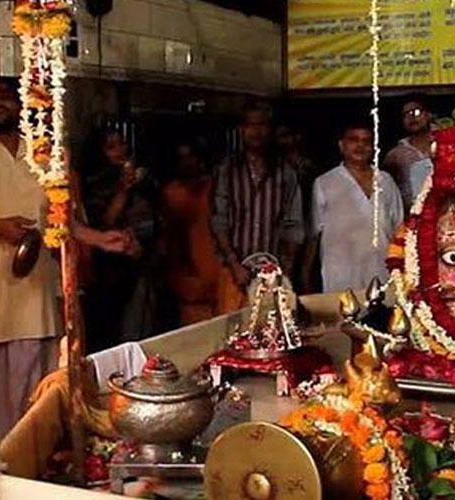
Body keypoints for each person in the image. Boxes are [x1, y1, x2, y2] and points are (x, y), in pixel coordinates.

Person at [0, 75, 61, 437]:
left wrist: (104, 240)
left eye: (6, 97)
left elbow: (61, 219)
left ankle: (32, 478)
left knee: (37, 400)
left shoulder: (42, 154)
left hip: (38, 296)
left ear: (20, 104)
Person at [212, 101, 304, 300]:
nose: (256, 131)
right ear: (241, 130)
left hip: (273, 274)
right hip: (232, 272)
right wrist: (234, 265)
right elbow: (219, 221)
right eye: (251, 125)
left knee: (271, 328)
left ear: (270, 129)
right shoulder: (227, 171)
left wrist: (285, 270)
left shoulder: (286, 172)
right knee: (231, 329)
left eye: (262, 125)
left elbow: (294, 226)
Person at [79, 126, 156, 351]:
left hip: (141, 261)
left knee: (142, 329)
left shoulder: (139, 179)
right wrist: (122, 190)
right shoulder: (94, 182)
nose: (120, 150)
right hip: (111, 269)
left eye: (122, 144)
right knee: (114, 332)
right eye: (111, 147)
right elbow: (101, 225)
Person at [304, 121, 404, 292]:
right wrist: (305, 275)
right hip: (340, 273)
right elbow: (313, 235)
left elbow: (399, 229)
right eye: (353, 140)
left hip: (383, 270)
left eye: (366, 141)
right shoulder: (325, 182)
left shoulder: (386, 181)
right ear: (341, 145)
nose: (360, 145)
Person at [157, 136, 221, 326]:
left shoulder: (215, 186)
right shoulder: (171, 192)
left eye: (191, 156)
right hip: (188, 277)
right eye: (181, 158)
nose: (187, 162)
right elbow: (167, 234)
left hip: (219, 271)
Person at [382, 94, 434, 211]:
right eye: (406, 115)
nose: (411, 118)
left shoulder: (447, 143)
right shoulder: (395, 155)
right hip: (412, 218)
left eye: (415, 112)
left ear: (428, 115)